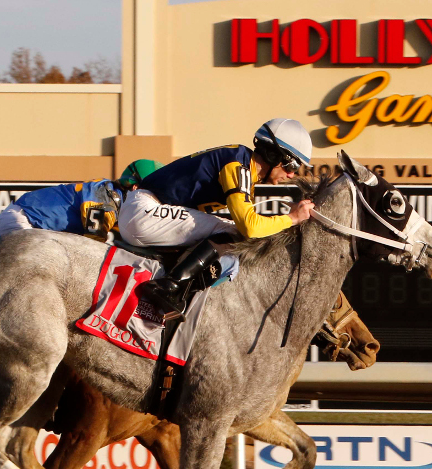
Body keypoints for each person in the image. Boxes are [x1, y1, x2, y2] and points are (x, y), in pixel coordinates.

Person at [120, 118, 315, 320]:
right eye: (291, 164)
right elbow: (250, 226)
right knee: (233, 233)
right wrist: (292, 218)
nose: (292, 174)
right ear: (272, 153)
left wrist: (286, 217)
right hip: (144, 211)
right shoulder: (236, 163)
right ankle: (171, 286)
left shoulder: (242, 166)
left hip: (147, 211)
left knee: (230, 248)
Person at [0, 159, 164, 242]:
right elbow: (94, 239)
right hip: (21, 222)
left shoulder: (116, 202)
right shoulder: (107, 196)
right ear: (135, 188)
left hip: (31, 224)